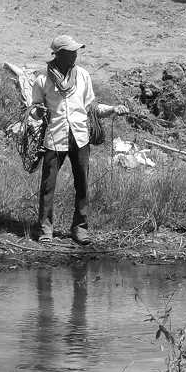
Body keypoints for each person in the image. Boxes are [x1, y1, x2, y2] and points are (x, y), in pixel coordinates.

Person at [28, 34, 123, 245]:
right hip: (54, 138)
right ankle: (45, 229)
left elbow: (92, 107)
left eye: (76, 52)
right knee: (48, 186)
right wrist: (38, 111)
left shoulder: (83, 76)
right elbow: (34, 109)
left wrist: (112, 109)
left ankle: (80, 228)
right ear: (59, 54)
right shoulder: (43, 79)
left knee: (82, 185)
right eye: (71, 52)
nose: (75, 55)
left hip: (80, 137)